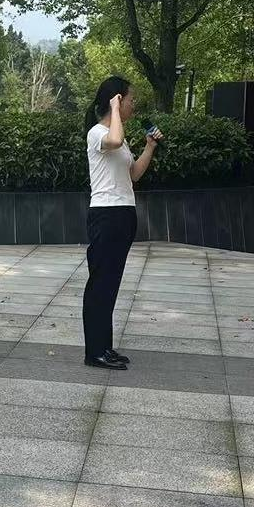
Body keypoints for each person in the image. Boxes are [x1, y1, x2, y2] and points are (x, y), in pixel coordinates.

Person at [82, 77, 163, 371]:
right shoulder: (98, 133)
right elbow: (114, 140)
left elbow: (133, 175)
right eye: (130, 100)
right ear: (116, 100)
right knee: (101, 283)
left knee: (111, 283)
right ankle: (94, 352)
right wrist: (115, 109)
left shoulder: (120, 136)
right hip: (106, 215)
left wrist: (149, 147)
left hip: (123, 213)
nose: (133, 105)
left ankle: (104, 346)